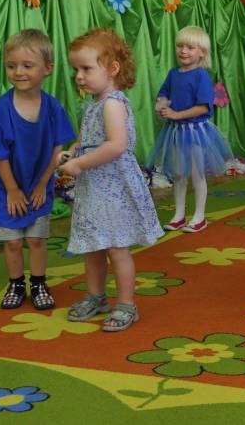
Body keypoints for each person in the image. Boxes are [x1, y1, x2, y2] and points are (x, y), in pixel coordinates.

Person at [60, 28, 163, 332]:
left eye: (86, 69)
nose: (79, 76)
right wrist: (72, 152)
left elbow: (116, 145)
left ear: (113, 68)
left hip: (113, 186)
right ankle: (96, 296)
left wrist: (80, 163)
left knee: (117, 248)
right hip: (94, 187)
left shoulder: (113, 104)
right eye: (76, 70)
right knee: (93, 245)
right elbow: (88, 140)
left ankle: (127, 304)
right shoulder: (93, 104)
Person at [0, 30, 76, 310]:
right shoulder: (2, 108)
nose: (18, 72)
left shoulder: (52, 107)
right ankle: (16, 283)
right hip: (4, 187)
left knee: (36, 239)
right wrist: (12, 190)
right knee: (11, 242)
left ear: (47, 69)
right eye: (12, 66)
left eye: (27, 65)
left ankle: (39, 283)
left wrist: (43, 184)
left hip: (36, 185)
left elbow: (58, 149)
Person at [148, 25, 233, 234]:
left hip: (196, 132)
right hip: (176, 132)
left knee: (197, 174)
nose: (183, 51)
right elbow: (163, 94)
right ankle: (179, 215)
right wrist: (161, 106)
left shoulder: (201, 75)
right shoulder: (173, 73)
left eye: (190, 47)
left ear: (202, 52)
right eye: (180, 46)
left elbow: (203, 107)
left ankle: (199, 216)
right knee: (179, 174)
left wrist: (175, 114)